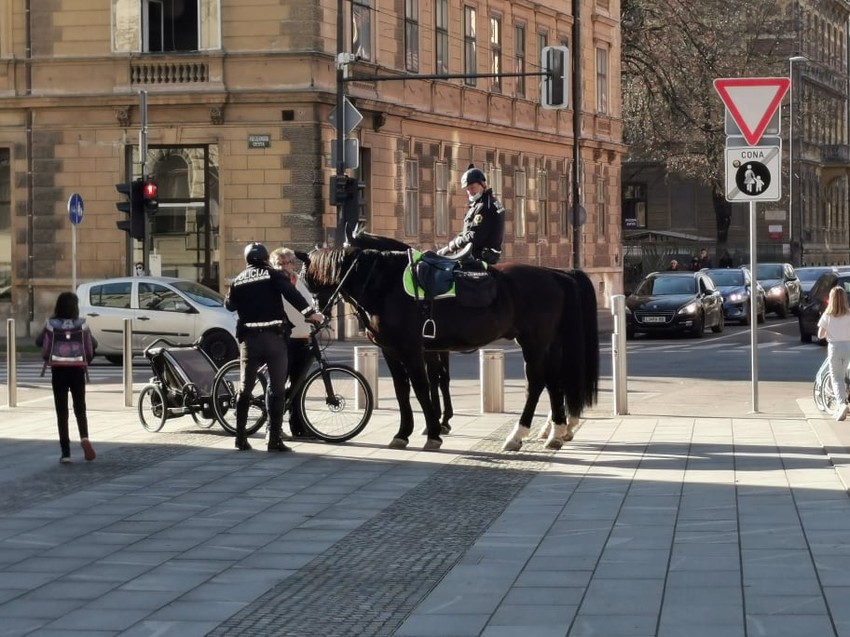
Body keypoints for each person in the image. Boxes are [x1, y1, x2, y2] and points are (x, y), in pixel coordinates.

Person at [225, 242, 324, 452]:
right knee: (277, 389)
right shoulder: (272, 275)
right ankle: (274, 440)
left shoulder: (238, 280)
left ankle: (240, 438)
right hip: (274, 339)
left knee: (245, 389)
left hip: (249, 340)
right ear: (265, 259)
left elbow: (229, 305)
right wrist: (310, 313)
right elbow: (291, 294)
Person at [35, 292, 97, 464]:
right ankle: (84, 438)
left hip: (58, 370)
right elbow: (93, 344)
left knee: (61, 412)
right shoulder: (82, 324)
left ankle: (66, 452)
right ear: (75, 307)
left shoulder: (51, 324)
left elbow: (39, 342)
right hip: (77, 370)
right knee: (80, 408)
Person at [269, 247, 317, 440]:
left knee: (298, 386)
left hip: (302, 339)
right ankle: (274, 427)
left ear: (293, 264)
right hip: (283, 340)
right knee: (278, 386)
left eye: (286, 262)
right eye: (278, 263)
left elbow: (308, 304)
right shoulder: (274, 283)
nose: (283, 266)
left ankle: (298, 427)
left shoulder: (300, 281)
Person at [436, 165, 505, 264]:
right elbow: (469, 230)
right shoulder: (487, 201)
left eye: (472, 188)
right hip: (483, 254)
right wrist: (452, 244)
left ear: (482, 184)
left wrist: (452, 246)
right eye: (467, 189)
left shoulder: (485, 206)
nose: (470, 192)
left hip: (482, 256)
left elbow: (474, 236)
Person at [818, 286, 850, 421]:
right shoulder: (849, 314)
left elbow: (820, 334)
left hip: (834, 348)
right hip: (848, 346)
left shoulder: (828, 315)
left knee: (837, 378)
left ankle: (842, 405)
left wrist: (829, 333)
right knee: (846, 374)